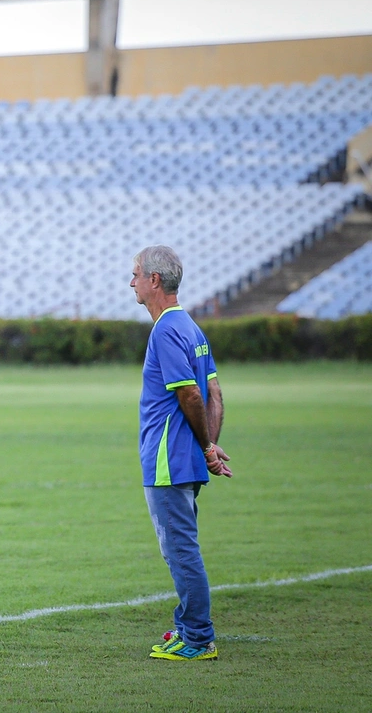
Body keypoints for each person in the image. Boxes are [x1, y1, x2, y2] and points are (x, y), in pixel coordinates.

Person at [130, 245, 232, 661]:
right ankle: (188, 625)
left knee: (180, 549)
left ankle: (197, 637)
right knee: (181, 546)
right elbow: (215, 393)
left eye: (135, 274)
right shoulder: (191, 327)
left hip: (169, 459)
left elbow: (191, 393)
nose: (131, 282)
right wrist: (208, 446)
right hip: (186, 456)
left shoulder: (167, 330)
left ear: (154, 280)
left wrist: (207, 445)